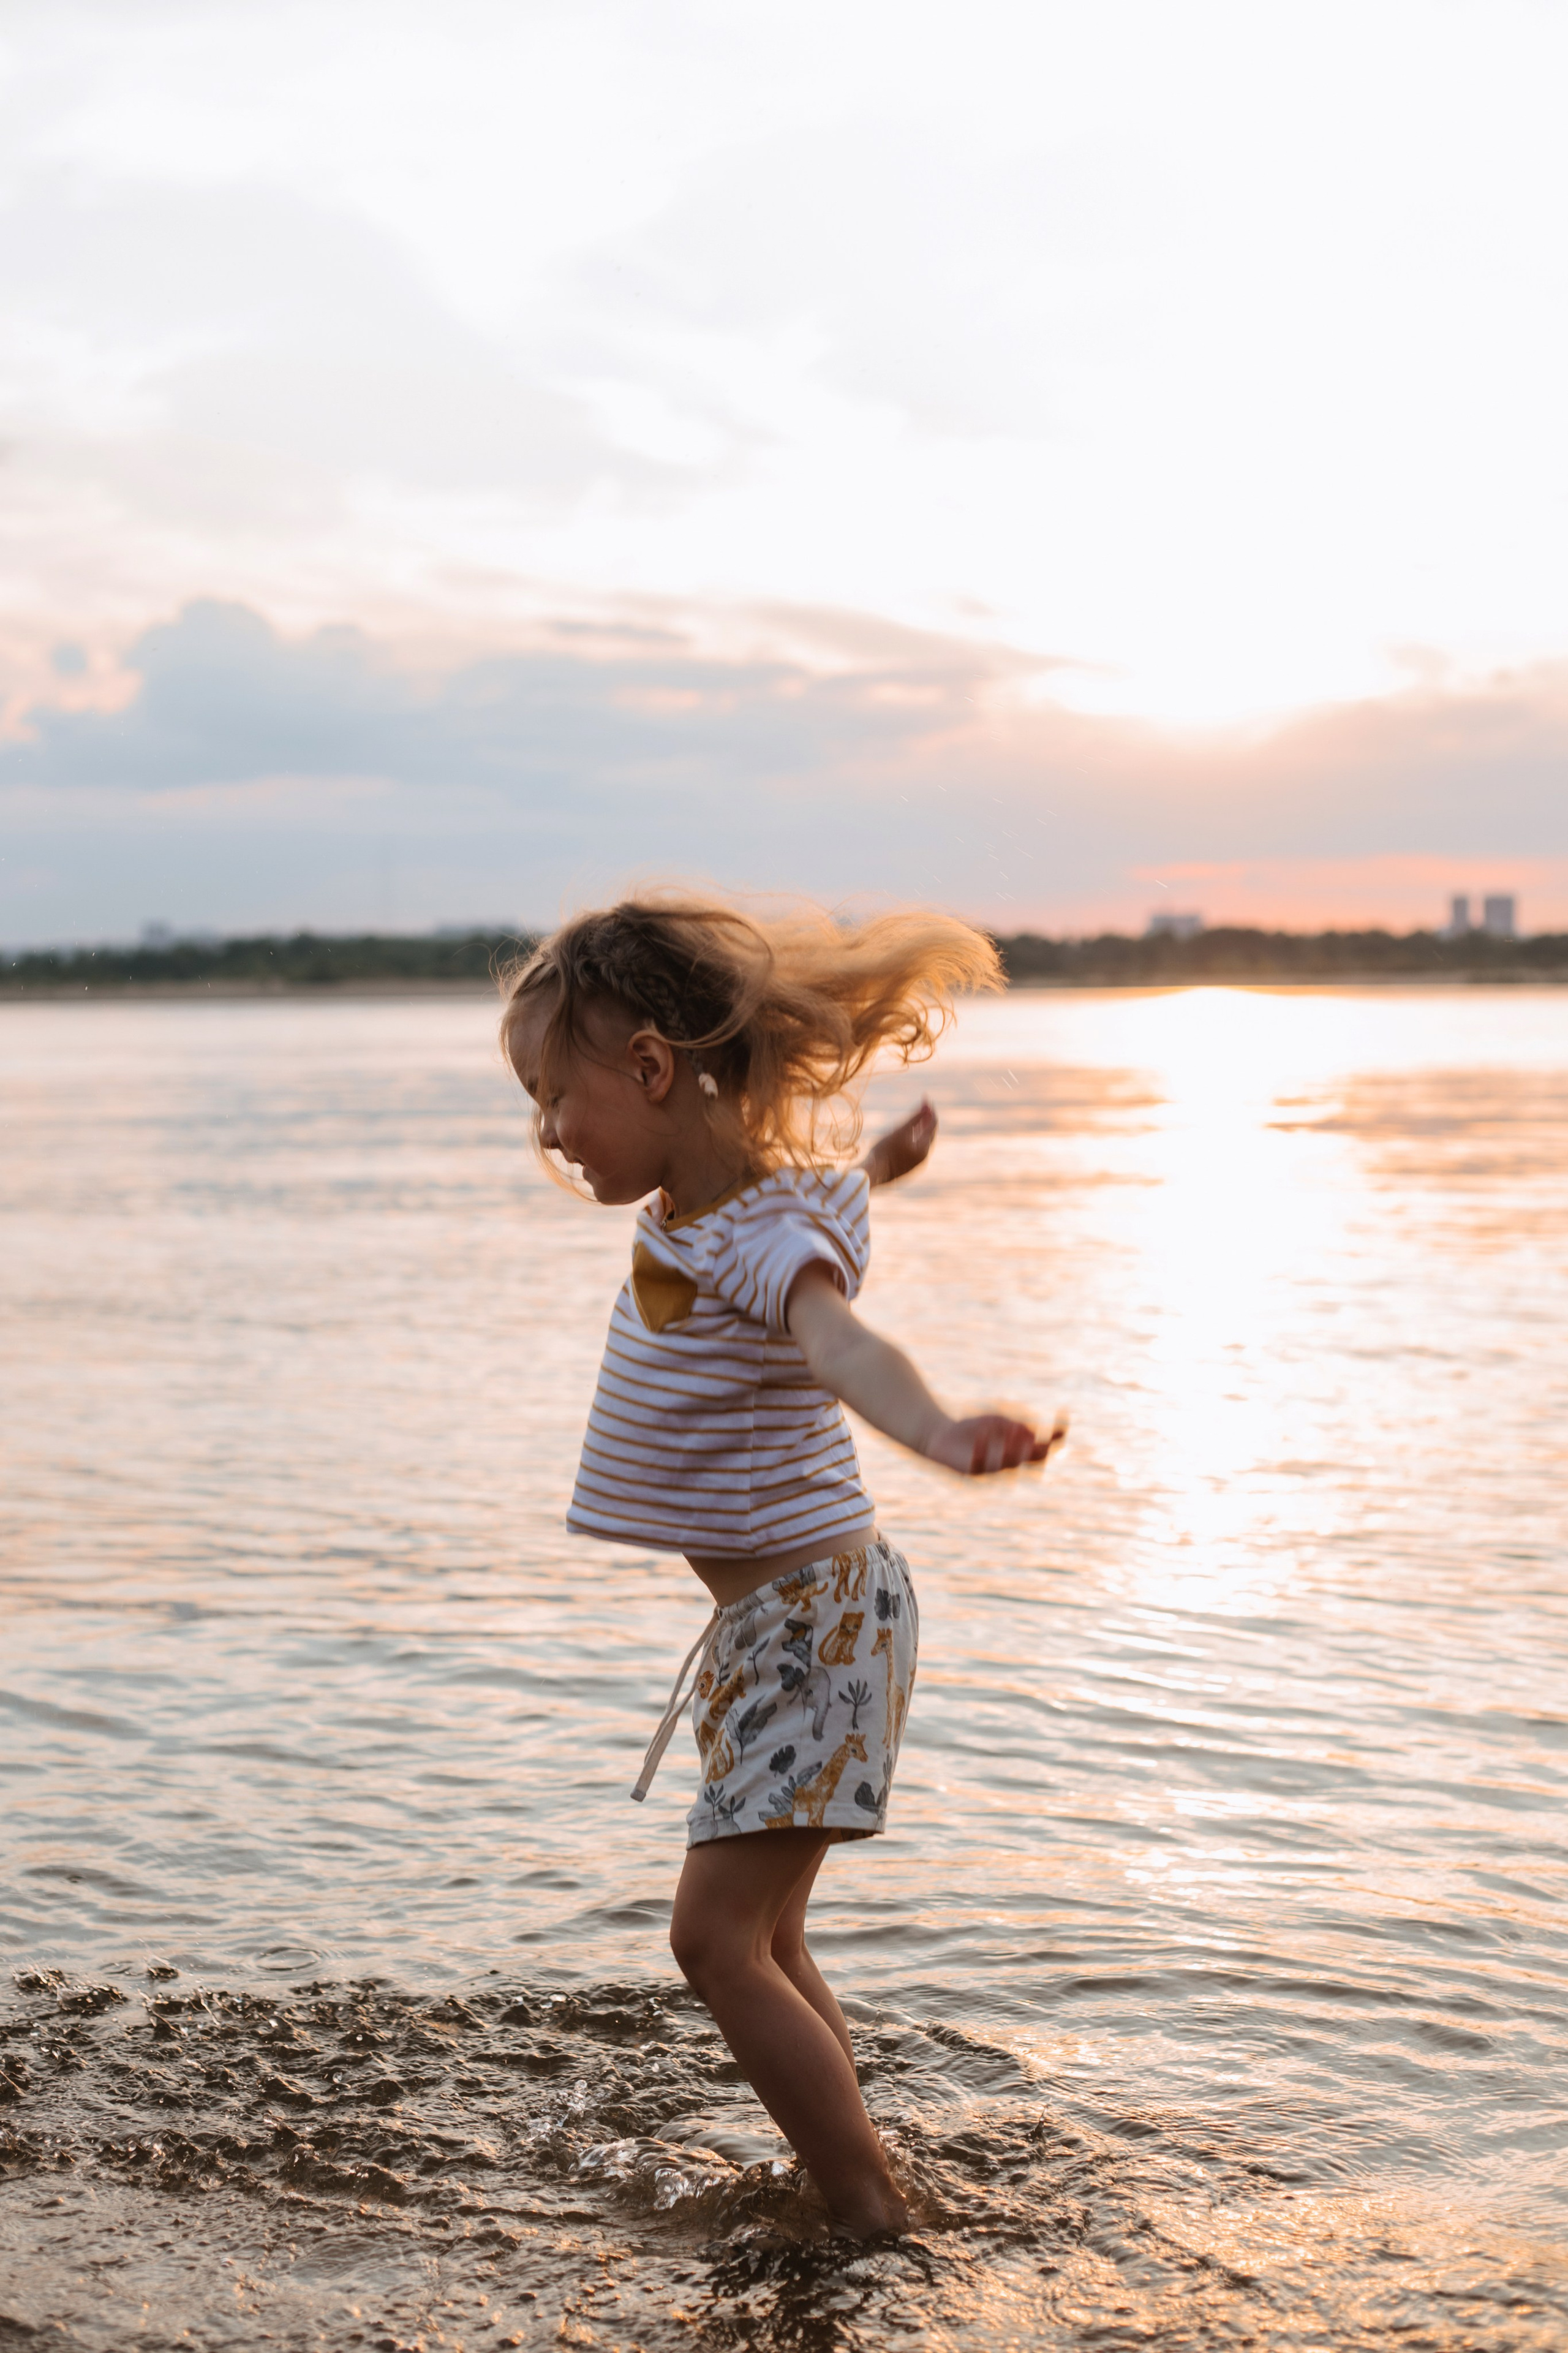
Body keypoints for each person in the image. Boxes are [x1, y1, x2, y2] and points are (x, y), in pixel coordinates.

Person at [500, 893, 1066, 2237]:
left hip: (814, 1623)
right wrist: (879, 1169)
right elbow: (810, 1220)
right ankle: (863, 2175)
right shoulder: (735, 1209)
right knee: (767, 1940)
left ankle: (868, 2209)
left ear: (647, 1067)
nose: (546, 1135)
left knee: (711, 1943)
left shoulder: (755, 1235)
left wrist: (933, 1427)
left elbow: (836, 1342)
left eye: (551, 1095)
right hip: (789, 1629)